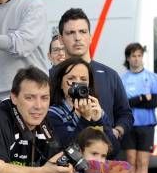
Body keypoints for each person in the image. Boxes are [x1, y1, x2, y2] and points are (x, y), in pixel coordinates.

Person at [57, 8, 133, 148]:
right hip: (64, 160)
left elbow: (125, 114)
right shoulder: (51, 76)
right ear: (61, 39)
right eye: (70, 33)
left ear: (90, 37)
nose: (77, 37)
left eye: (83, 32)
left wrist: (117, 131)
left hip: (106, 156)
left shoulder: (110, 75)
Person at [120, 42, 157, 173]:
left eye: (139, 56)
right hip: (130, 125)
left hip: (147, 125)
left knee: (143, 162)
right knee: (131, 161)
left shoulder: (152, 77)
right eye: (133, 56)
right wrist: (141, 98)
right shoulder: (123, 79)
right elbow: (125, 104)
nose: (136, 59)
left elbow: (153, 102)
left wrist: (138, 100)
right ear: (128, 58)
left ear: (142, 57)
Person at [48, 57, 118, 151]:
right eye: (71, 78)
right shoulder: (53, 113)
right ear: (60, 83)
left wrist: (99, 120)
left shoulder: (96, 109)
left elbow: (114, 150)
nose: (78, 83)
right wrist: (85, 119)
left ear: (89, 84)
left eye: (83, 79)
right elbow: (67, 150)